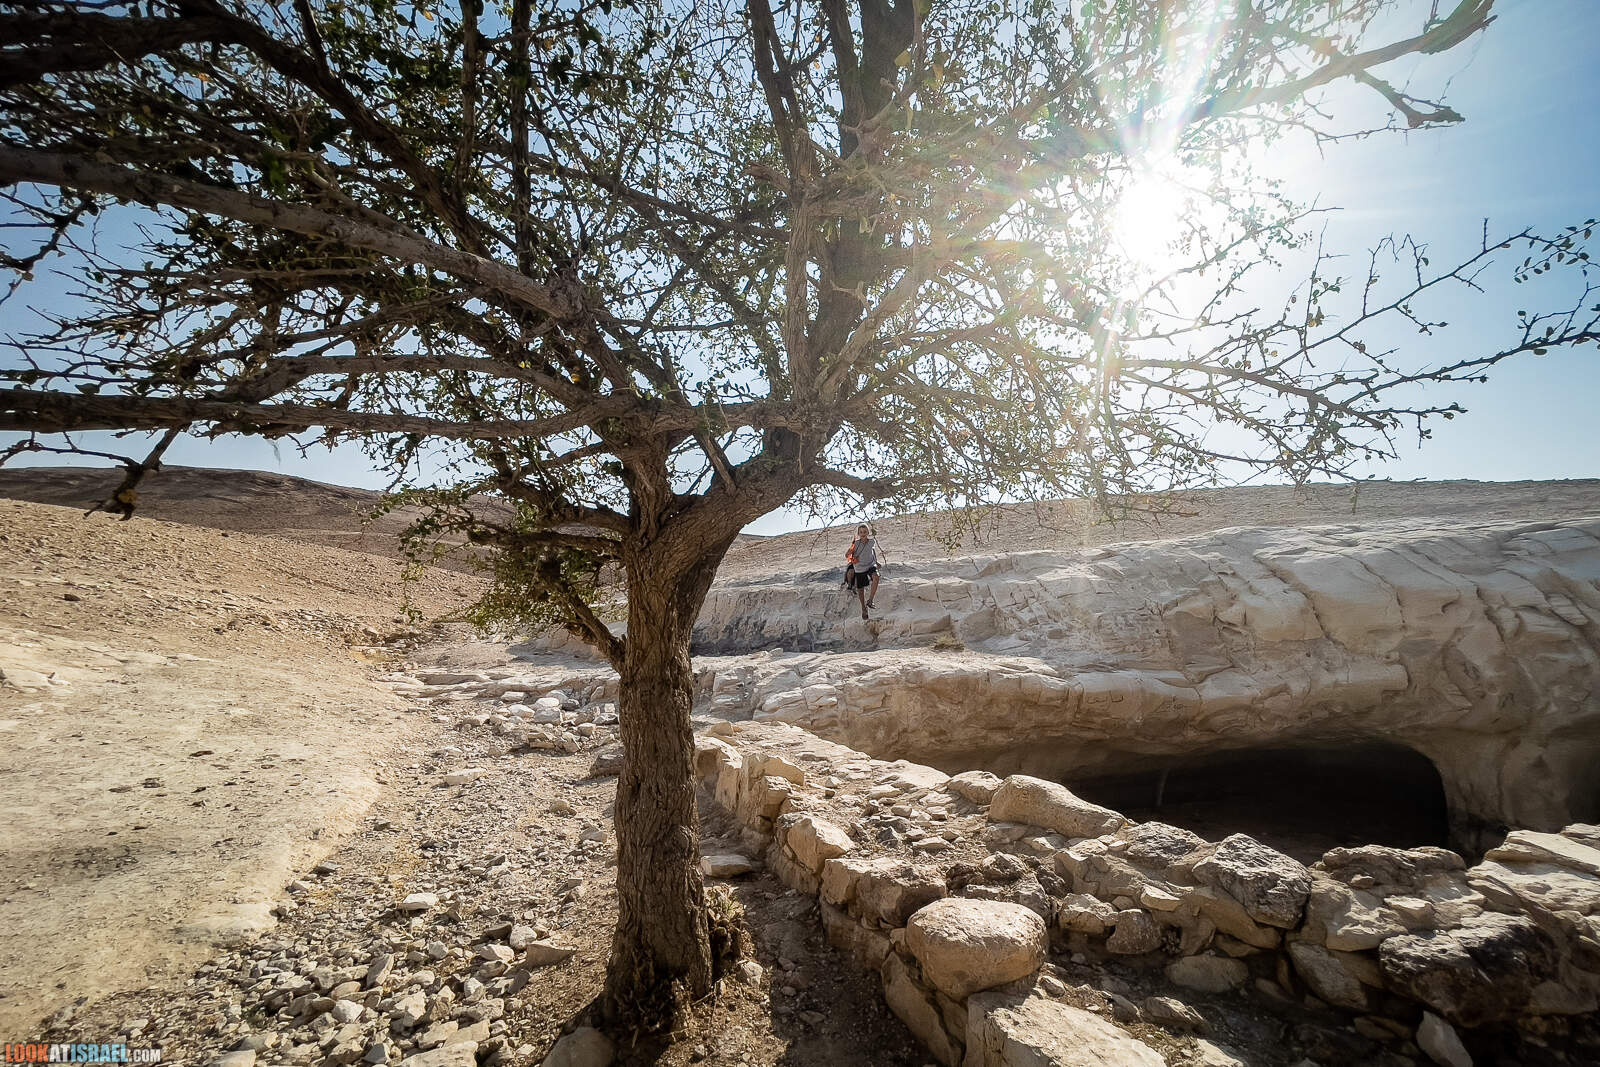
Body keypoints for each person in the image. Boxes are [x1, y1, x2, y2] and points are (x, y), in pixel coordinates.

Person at [845, 523, 882, 621]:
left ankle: (870, 600)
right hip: (859, 568)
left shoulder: (872, 542)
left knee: (876, 576)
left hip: (870, 565)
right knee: (860, 589)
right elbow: (847, 555)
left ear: (868, 532)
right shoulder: (856, 544)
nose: (863, 534)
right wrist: (849, 553)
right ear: (858, 534)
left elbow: (872, 551)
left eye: (865, 532)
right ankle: (863, 608)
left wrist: (876, 562)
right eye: (861, 532)